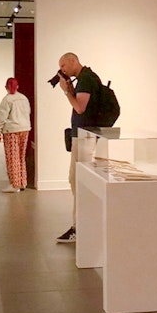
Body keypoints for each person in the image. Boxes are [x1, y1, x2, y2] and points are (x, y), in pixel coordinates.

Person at [55, 52, 103, 243]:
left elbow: (80, 108)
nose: (62, 70)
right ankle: (80, 224)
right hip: (82, 135)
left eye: (64, 66)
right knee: (75, 179)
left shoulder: (86, 79)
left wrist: (66, 91)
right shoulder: (85, 78)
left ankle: (81, 226)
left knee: (80, 180)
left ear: (73, 61)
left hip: (85, 136)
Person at [0, 77, 31, 193]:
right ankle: (22, 182)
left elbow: (2, 118)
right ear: (18, 86)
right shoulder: (23, 98)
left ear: (6, 87)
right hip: (25, 129)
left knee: (12, 158)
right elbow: (28, 112)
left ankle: (14, 185)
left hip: (12, 130)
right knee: (21, 157)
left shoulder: (7, 100)